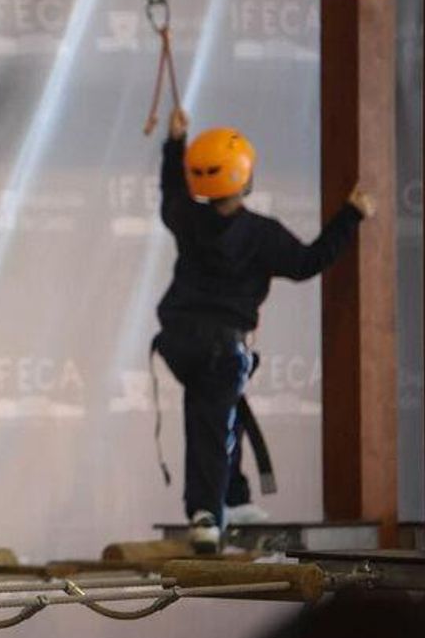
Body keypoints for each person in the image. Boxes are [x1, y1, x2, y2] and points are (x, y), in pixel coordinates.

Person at [154, 107, 372, 552]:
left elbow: (172, 191)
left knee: (214, 413)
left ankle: (232, 496)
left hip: (180, 343)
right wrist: (351, 214)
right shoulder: (261, 235)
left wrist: (175, 142)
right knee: (212, 423)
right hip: (221, 347)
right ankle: (207, 516)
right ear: (243, 175)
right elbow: (310, 261)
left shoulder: (187, 219)